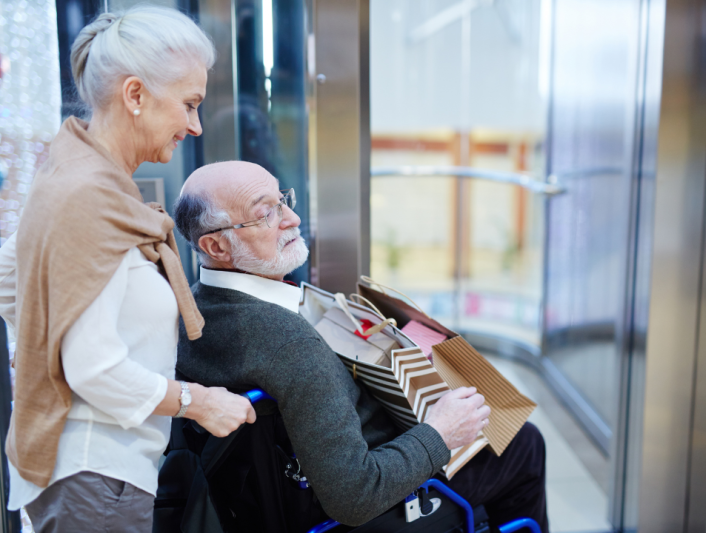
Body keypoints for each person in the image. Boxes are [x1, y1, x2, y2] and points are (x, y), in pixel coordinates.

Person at [173, 161, 548, 532]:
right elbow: (354, 497)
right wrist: (441, 432)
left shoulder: (194, 309)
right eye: (266, 213)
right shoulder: (289, 343)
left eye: (283, 200)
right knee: (523, 444)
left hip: (270, 499)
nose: (292, 219)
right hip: (377, 502)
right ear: (216, 245)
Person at [0, 7, 257, 532]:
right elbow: (93, 369)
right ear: (135, 95)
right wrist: (200, 403)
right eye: (188, 104)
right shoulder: (87, 197)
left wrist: (47, 343)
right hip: (95, 477)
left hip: (91, 474)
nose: (195, 125)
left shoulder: (77, 178)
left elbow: (10, 281)